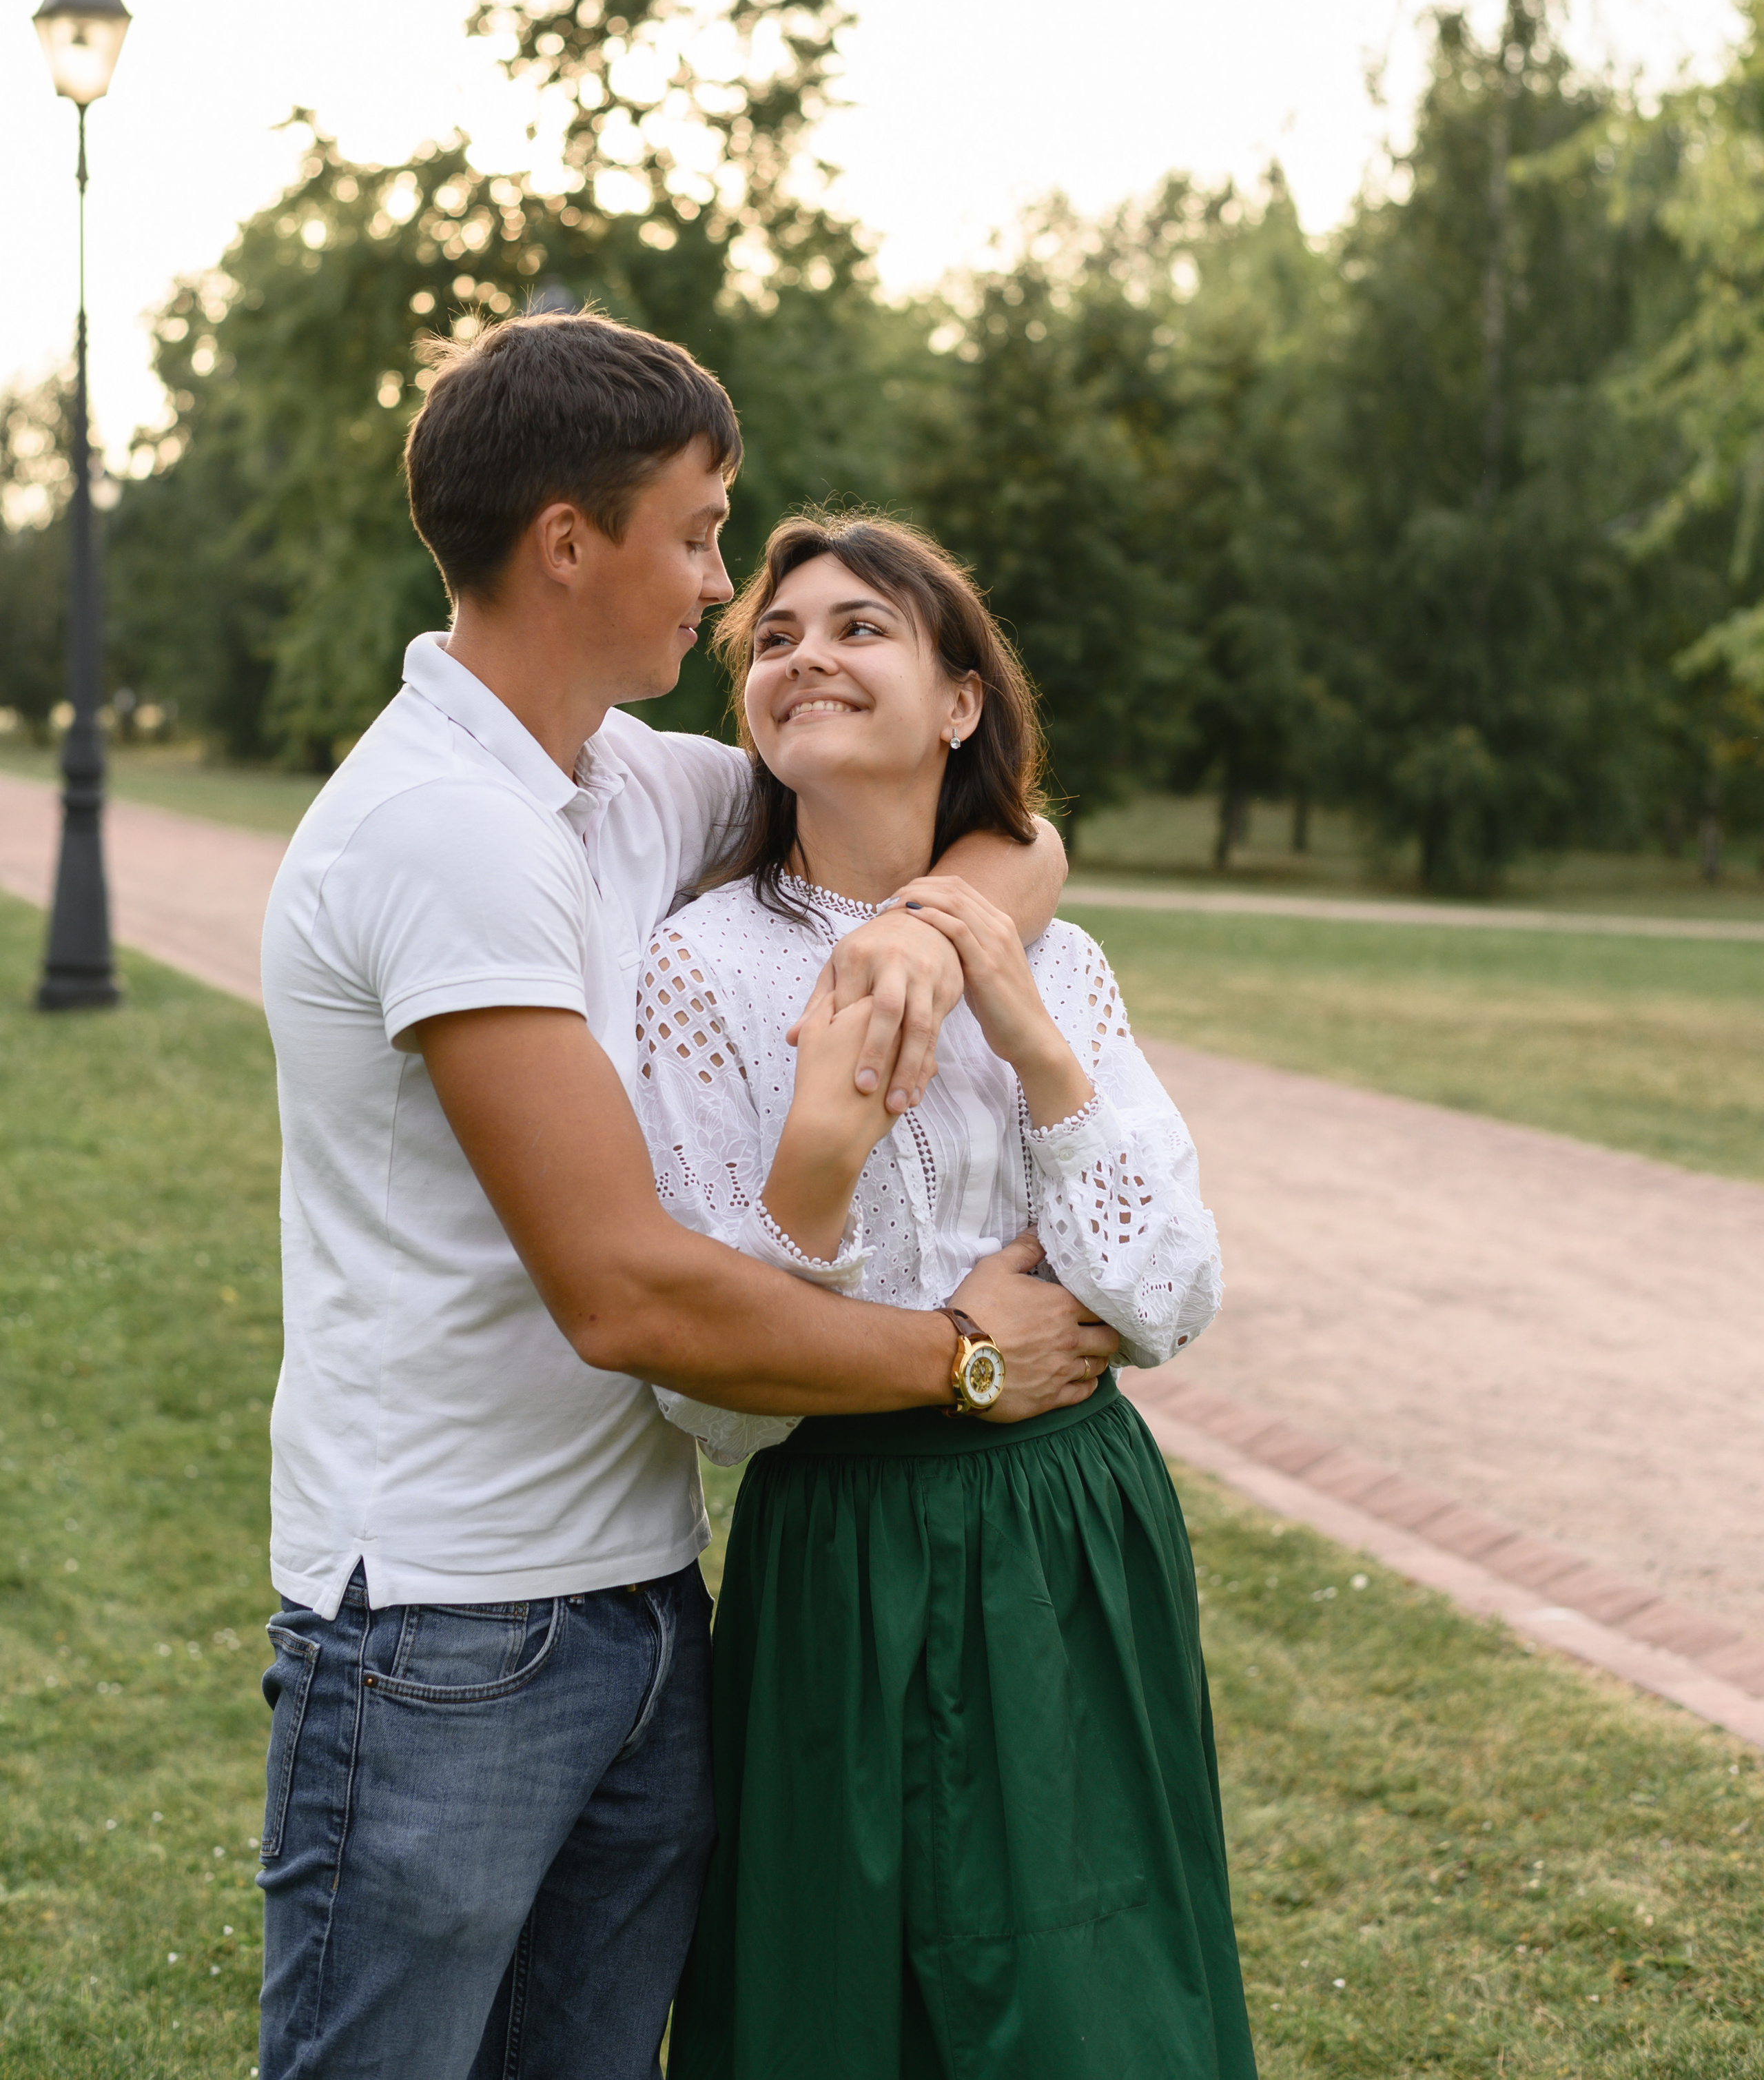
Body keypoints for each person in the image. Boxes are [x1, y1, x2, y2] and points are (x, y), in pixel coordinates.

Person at [254, 313, 1114, 2080]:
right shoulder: (442, 827)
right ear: (570, 541)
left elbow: (994, 819)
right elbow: (627, 1293)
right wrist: (959, 1357)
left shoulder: (627, 777)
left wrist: (915, 940)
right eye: (702, 529)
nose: (723, 587)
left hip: (645, 1597)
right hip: (440, 1627)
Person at [635, 513, 1259, 2080]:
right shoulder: (700, 969)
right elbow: (713, 1397)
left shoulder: (1061, 955)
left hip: (1073, 1527)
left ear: (960, 701)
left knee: (1098, 2001)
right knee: (843, 2005)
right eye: (773, 640)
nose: (804, 658)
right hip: (846, 1544)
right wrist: (820, 1165)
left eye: (858, 629)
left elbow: (1167, 1295)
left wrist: (1030, 1035)